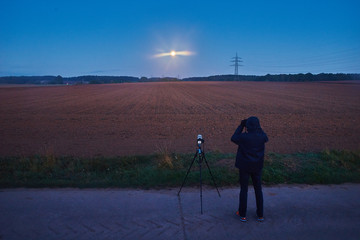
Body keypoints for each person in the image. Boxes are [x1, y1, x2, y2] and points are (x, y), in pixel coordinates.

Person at [231, 116, 268, 222]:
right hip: (257, 166)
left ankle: (242, 214)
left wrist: (241, 126)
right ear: (258, 126)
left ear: (247, 126)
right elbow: (266, 138)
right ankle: (260, 214)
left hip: (244, 166)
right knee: (258, 190)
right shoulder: (262, 136)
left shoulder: (243, 137)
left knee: (244, 190)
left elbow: (233, 138)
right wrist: (258, 127)